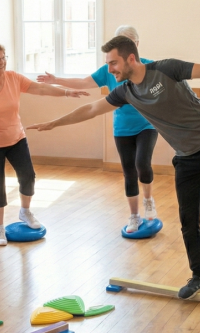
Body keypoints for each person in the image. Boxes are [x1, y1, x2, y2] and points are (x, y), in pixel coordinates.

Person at [27, 35, 200, 299]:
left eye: (113, 63)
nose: (110, 69)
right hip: (186, 157)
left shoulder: (166, 69)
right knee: (188, 219)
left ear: (131, 58)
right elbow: (92, 108)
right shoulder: (126, 91)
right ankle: (199, 277)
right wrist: (55, 123)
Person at [0, 42, 89, 246]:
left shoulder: (13, 78)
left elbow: (41, 89)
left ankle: (25, 211)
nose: (1, 62)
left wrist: (67, 92)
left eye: (3, 57)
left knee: (28, 176)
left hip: (16, 138)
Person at [37, 25, 159, 232]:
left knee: (142, 163)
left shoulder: (149, 66)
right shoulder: (109, 69)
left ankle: (148, 200)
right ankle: (134, 216)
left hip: (147, 124)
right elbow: (84, 82)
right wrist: (56, 80)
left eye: (128, 42)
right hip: (122, 128)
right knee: (129, 171)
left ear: (136, 45)